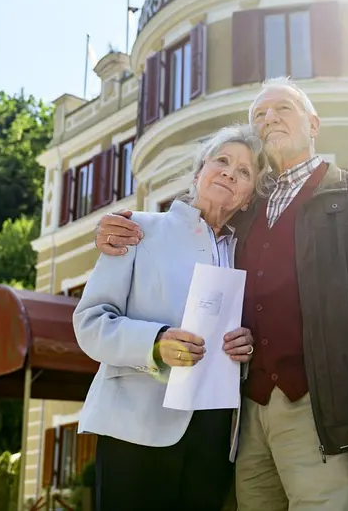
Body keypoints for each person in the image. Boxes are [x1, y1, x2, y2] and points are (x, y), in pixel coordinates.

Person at [94, 77, 348, 511]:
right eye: (259, 116)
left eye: (282, 109)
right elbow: (196, 221)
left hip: (326, 414)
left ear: (313, 123)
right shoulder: (243, 218)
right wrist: (114, 228)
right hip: (247, 425)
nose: (269, 119)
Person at [73, 125, 271, 511]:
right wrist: (155, 342)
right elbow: (90, 323)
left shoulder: (242, 256)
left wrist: (243, 345)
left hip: (214, 438)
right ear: (199, 173)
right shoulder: (138, 230)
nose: (230, 172)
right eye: (222, 161)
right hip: (136, 429)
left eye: (244, 172)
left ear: (248, 199)